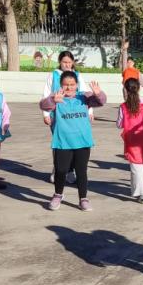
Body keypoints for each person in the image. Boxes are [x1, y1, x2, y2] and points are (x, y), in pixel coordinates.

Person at [39, 72, 106, 211]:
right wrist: (53, 100)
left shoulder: (84, 97)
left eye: (72, 84)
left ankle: (83, 199)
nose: (69, 87)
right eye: (66, 84)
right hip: (62, 142)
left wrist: (98, 94)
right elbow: (43, 105)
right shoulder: (57, 97)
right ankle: (58, 195)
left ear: (77, 85)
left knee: (81, 171)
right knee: (61, 170)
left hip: (82, 141)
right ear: (61, 85)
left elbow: (101, 101)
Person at [42, 51, 89, 184]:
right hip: (57, 116)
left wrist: (89, 112)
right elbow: (46, 94)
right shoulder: (53, 75)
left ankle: (70, 170)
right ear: (60, 62)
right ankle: (57, 169)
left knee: (75, 143)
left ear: (73, 62)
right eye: (64, 62)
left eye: (69, 62)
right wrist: (46, 114)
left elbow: (86, 95)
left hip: (75, 116)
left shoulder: (77, 76)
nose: (67, 65)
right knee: (60, 143)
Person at [117, 78, 143, 203]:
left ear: (126, 90)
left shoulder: (124, 106)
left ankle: (142, 194)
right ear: (139, 88)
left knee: (136, 166)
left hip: (133, 140)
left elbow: (119, 124)